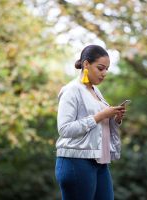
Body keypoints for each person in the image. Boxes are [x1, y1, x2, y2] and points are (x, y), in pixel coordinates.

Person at [55, 45, 126, 200]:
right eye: (100, 68)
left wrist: (115, 118)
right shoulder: (71, 90)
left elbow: (99, 125)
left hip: (99, 160)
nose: (105, 73)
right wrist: (101, 115)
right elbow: (65, 129)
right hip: (76, 162)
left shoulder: (95, 91)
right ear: (86, 64)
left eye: (107, 69)